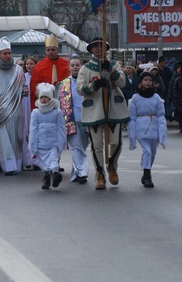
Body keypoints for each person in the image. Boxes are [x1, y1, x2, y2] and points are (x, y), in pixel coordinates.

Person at [77, 36, 128, 190]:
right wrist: (94, 85)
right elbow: (80, 89)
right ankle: (100, 174)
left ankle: (111, 165)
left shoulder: (114, 64)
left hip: (114, 108)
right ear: (91, 49)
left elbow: (123, 83)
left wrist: (111, 71)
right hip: (94, 110)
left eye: (101, 46)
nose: (98, 49)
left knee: (116, 142)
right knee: (97, 145)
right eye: (95, 46)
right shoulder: (85, 68)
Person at [0, 39, 26, 175]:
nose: (8, 56)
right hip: (1, 110)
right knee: (4, 138)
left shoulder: (19, 70)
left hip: (16, 108)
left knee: (18, 136)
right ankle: (8, 166)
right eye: (5, 53)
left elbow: (23, 88)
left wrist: (24, 92)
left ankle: (17, 163)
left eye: (10, 53)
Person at [127, 71, 167, 188]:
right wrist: (132, 133)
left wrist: (162, 130)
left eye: (150, 80)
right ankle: (147, 175)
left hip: (153, 126)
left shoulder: (156, 97)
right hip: (141, 127)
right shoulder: (135, 98)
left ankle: (146, 169)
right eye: (145, 80)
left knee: (152, 152)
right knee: (147, 150)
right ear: (141, 82)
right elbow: (132, 117)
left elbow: (161, 115)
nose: (148, 82)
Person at [29, 83, 66, 190]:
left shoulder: (57, 112)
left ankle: (55, 173)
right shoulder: (35, 112)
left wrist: (61, 142)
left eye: (46, 97)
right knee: (43, 162)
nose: (44, 99)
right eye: (42, 97)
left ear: (50, 98)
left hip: (53, 142)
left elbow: (61, 128)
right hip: (41, 143)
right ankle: (46, 177)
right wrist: (32, 143)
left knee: (53, 159)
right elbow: (33, 129)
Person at [59, 57, 90, 184]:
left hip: (87, 118)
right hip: (71, 118)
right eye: (73, 65)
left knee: (82, 146)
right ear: (69, 67)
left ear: (81, 66)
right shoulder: (64, 83)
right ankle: (83, 173)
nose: (75, 67)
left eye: (78, 65)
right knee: (76, 147)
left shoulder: (87, 82)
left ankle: (76, 173)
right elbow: (60, 102)